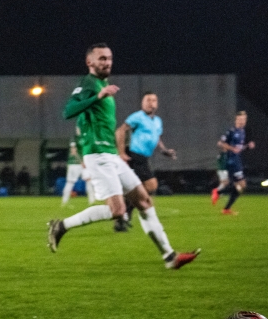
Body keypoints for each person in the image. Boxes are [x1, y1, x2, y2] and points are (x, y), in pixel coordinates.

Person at [46, 44, 199, 270]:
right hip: (97, 155)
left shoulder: (103, 83)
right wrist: (97, 96)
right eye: (101, 59)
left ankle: (170, 257)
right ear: (90, 62)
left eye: (109, 58)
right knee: (117, 210)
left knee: (144, 200)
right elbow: (68, 111)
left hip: (111, 155)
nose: (107, 62)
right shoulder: (89, 84)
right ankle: (61, 226)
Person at [114, 92, 177, 231]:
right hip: (135, 156)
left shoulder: (158, 121)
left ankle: (123, 216)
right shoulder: (137, 117)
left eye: (154, 100)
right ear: (142, 103)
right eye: (148, 100)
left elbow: (157, 137)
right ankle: (124, 214)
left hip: (144, 158)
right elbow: (120, 131)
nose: (151, 102)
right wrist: (122, 153)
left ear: (157, 103)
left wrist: (164, 150)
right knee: (151, 185)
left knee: (140, 189)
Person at [212, 111, 255, 214]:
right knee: (241, 185)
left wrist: (248, 145)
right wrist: (232, 148)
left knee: (238, 187)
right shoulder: (231, 131)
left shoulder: (243, 131)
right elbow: (220, 143)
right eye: (240, 119)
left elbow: (239, 147)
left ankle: (226, 207)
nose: (242, 121)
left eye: (244, 119)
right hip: (231, 161)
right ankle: (218, 193)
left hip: (237, 160)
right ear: (236, 120)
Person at [60, 139, 82, 206]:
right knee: (70, 183)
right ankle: (65, 200)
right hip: (75, 165)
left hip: (73, 165)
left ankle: (65, 200)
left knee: (69, 183)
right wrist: (81, 161)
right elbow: (74, 152)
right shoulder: (76, 144)